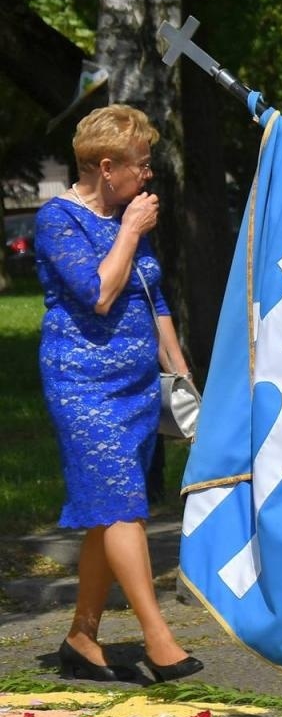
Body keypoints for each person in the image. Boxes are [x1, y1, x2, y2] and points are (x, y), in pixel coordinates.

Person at [37, 105, 201, 684]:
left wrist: (182, 380)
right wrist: (130, 230)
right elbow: (99, 293)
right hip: (82, 384)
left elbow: (152, 299)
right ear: (108, 167)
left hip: (134, 387)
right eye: (142, 164)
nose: (148, 175)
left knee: (107, 513)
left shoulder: (128, 217)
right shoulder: (58, 219)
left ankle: (82, 638)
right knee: (124, 504)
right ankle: (159, 641)